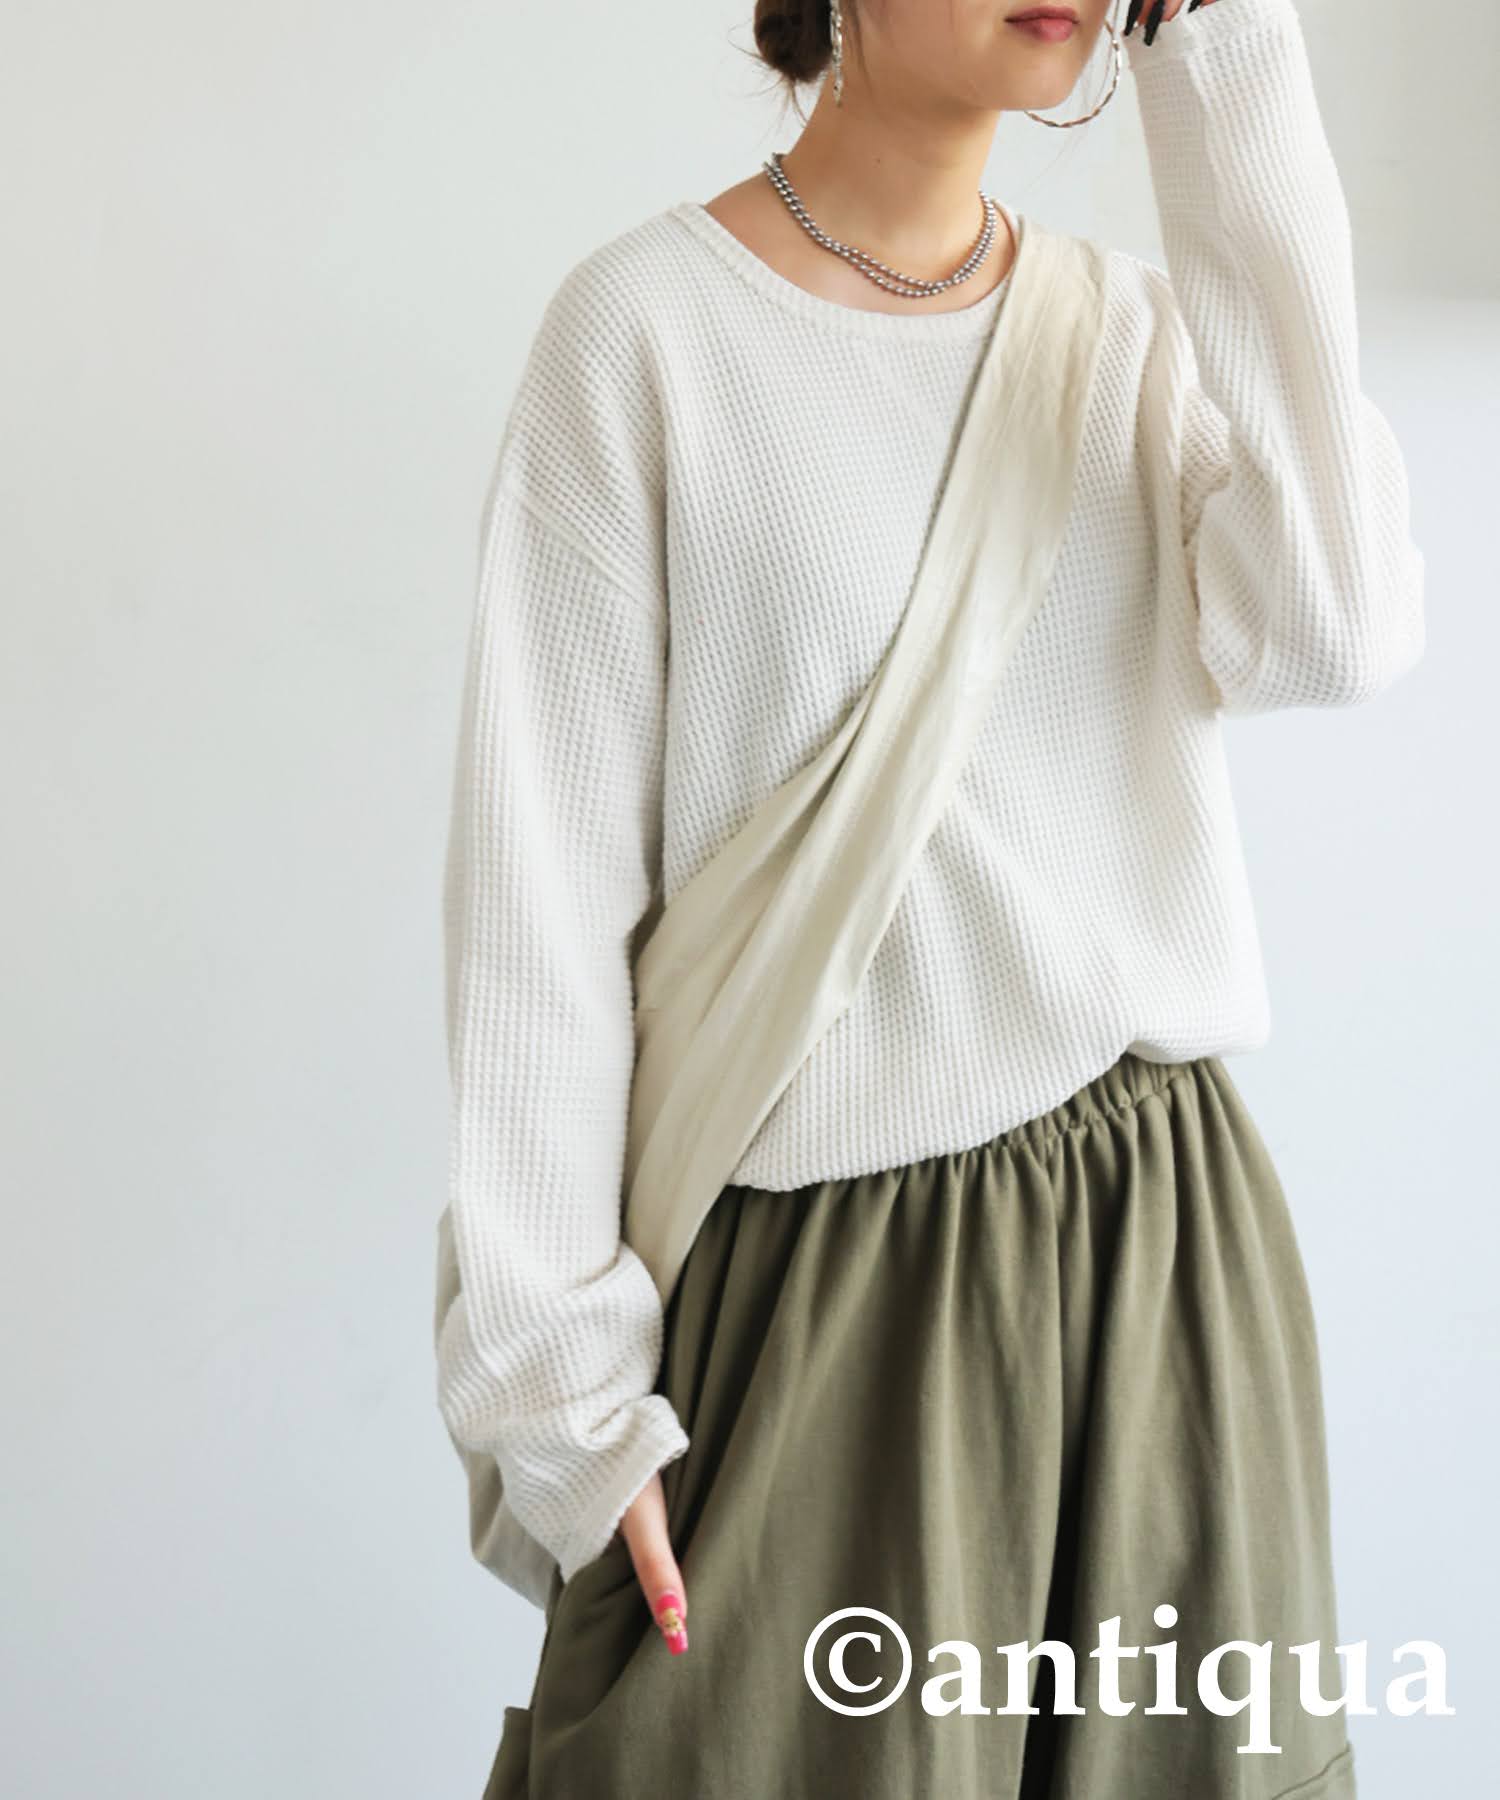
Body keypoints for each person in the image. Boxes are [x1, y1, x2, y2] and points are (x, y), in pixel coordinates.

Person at [434, 0, 1423, 1792]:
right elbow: (540, 911)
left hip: (1158, 1264)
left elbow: (1338, 625)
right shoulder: (645, 334)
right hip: (821, 1299)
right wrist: (562, 1402)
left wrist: (1225, 64)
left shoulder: (1135, 339)